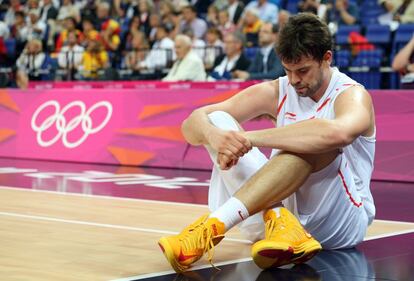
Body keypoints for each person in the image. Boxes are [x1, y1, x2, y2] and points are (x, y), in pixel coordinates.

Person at [158, 13, 376, 273]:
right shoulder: (278, 89)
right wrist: (214, 135)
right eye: (288, 70)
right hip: (274, 220)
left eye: (303, 71)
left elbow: (335, 134)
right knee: (217, 119)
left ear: (326, 58)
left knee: (310, 142)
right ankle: (281, 220)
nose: (294, 80)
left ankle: (213, 226)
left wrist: (248, 139)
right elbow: (191, 124)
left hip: (339, 223)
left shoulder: (352, 94)